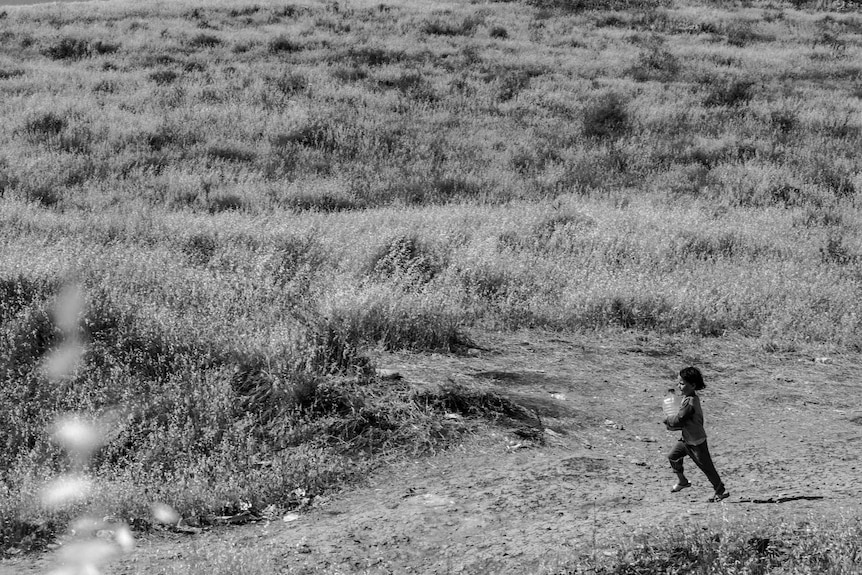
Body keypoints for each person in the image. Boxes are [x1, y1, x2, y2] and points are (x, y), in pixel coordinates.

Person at [663, 366, 729, 502]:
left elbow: (680, 419)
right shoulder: (687, 398)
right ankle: (682, 481)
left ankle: (720, 491)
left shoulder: (690, 402)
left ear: (693, 385)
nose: (679, 386)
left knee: (706, 467)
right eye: (679, 383)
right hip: (687, 439)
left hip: (696, 442)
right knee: (673, 456)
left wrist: (668, 420)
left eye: (682, 384)